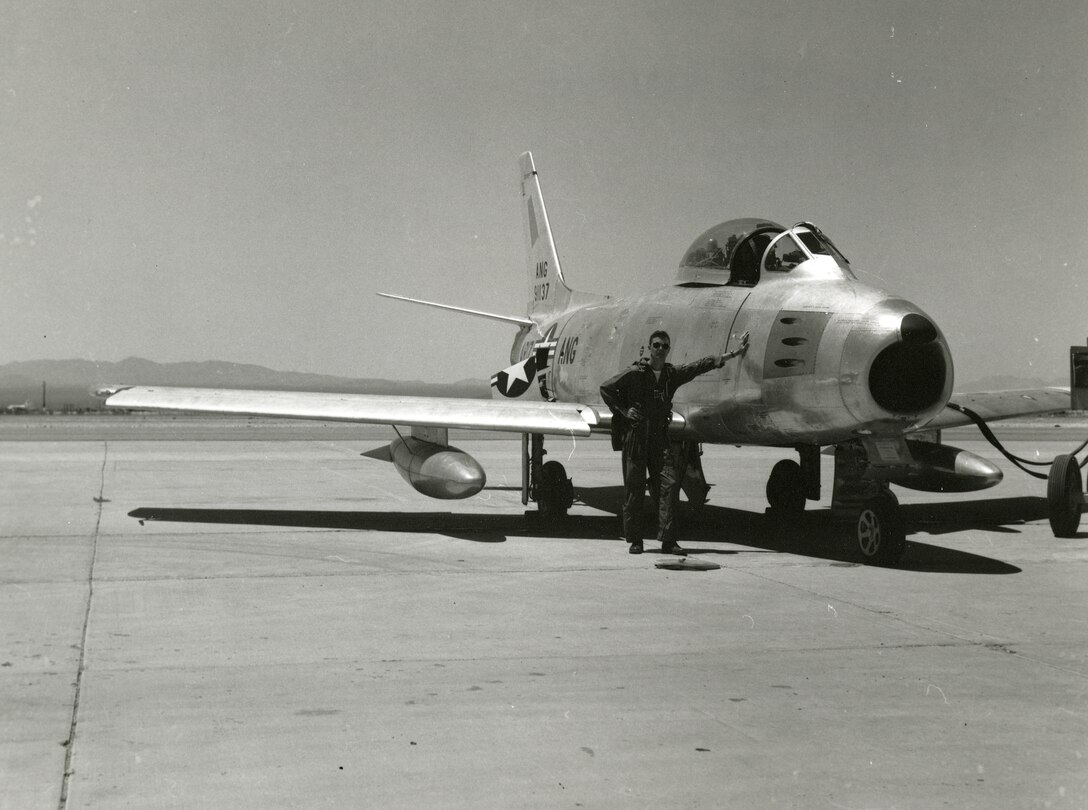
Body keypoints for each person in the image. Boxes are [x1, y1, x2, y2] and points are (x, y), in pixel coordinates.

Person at [600, 330, 749, 554]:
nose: (660, 349)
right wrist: (623, 410)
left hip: (660, 439)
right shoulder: (635, 373)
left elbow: (699, 366)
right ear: (649, 347)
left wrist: (732, 354)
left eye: (664, 346)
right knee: (634, 490)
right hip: (637, 440)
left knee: (669, 487)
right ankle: (635, 540)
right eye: (656, 345)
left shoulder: (672, 375)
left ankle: (668, 541)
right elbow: (606, 389)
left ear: (668, 350)